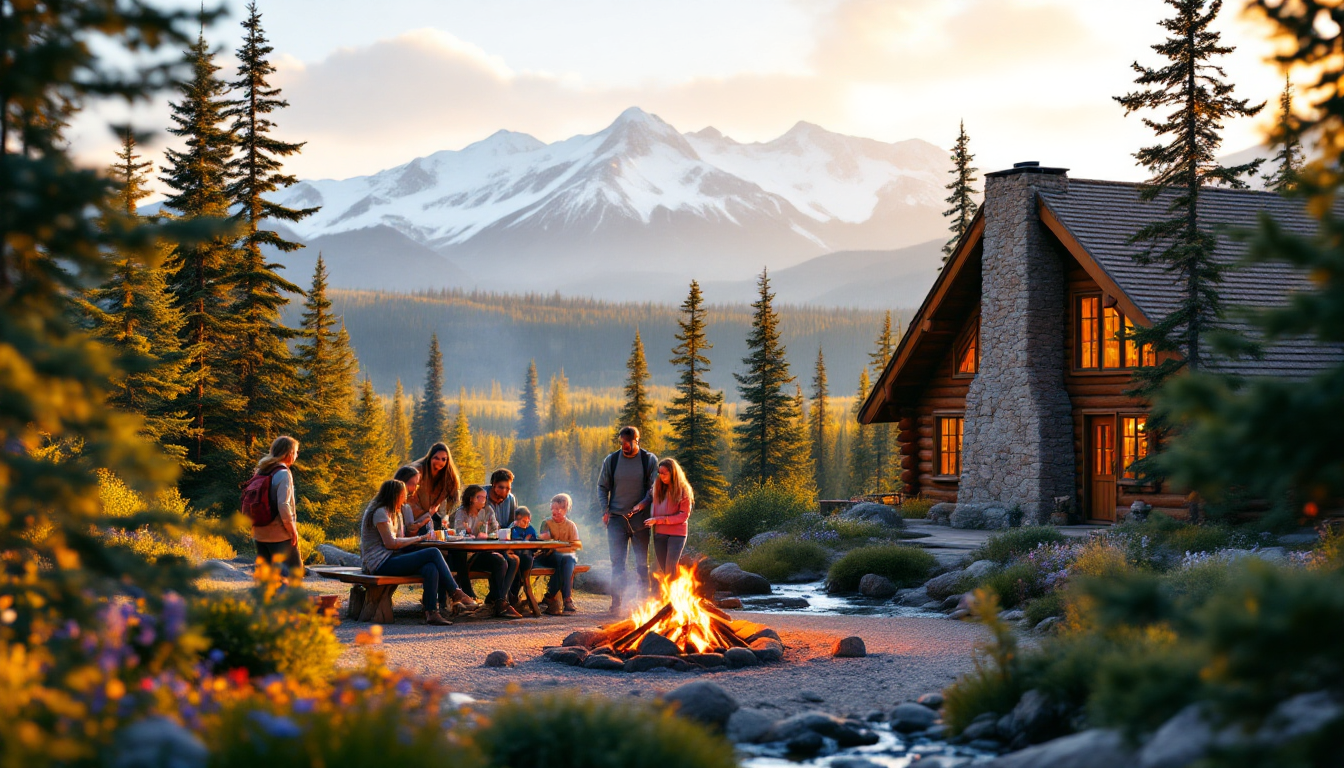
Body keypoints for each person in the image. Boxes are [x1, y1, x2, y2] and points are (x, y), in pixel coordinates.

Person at [359, 479, 477, 626]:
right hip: (379, 562)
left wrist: (418, 535)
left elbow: (400, 539)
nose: (405, 498)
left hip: (393, 557)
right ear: (394, 495)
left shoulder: (395, 512)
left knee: (431, 567)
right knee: (433, 552)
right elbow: (390, 543)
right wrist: (420, 538)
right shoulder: (380, 513)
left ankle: (431, 612)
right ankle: (456, 592)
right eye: (403, 495)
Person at [596, 425, 657, 614]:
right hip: (616, 519)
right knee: (617, 563)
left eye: (628, 442)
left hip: (640, 520)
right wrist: (605, 509)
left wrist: (643, 506)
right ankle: (616, 603)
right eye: (622, 442)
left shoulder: (648, 460)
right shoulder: (612, 460)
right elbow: (602, 486)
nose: (624, 446)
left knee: (641, 563)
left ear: (637, 441)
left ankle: (644, 602)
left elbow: (654, 489)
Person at [451, 484, 523, 619]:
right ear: (472, 499)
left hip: (485, 551)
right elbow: (460, 532)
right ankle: (500, 602)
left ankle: (498, 600)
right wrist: (475, 534)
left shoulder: (488, 511)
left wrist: (483, 534)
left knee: (508, 560)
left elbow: (495, 530)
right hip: (467, 555)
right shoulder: (462, 512)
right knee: (504, 560)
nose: (484, 500)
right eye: (481, 497)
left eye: (485, 498)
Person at [250, 436, 304, 576]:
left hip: (259, 532)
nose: (296, 455)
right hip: (279, 535)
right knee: (292, 574)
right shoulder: (283, 473)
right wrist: (292, 530)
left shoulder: (261, 470)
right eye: (295, 452)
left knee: (265, 577)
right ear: (289, 453)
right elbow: (284, 505)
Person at [483, 468, 531, 609]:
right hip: (486, 542)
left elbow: (513, 521)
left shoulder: (511, 499)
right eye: (501, 487)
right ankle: (500, 598)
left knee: (526, 557)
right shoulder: (481, 495)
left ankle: (510, 595)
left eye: (508, 488)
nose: (504, 491)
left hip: (505, 540)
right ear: (493, 485)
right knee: (508, 559)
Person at [536, 493, 582, 615]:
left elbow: (577, 544)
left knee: (568, 560)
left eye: (557, 509)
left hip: (566, 557)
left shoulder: (571, 525)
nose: (554, 511)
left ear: (565, 509)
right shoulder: (546, 523)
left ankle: (555, 596)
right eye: (552, 509)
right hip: (549, 556)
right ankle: (565, 599)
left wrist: (563, 546)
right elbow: (545, 543)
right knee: (564, 559)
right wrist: (562, 545)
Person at [645, 458, 694, 575]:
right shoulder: (657, 487)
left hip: (677, 534)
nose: (661, 476)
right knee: (664, 568)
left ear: (673, 473)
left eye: (664, 473)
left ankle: (674, 593)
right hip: (659, 533)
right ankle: (669, 592)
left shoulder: (683, 490)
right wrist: (639, 506)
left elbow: (683, 516)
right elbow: (648, 498)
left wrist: (659, 520)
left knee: (670, 568)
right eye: (659, 473)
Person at [409, 442, 460, 534]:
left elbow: (452, 500)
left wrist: (445, 517)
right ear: (430, 458)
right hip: (413, 517)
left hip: (430, 516)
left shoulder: (447, 477)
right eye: (436, 458)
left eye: (443, 459)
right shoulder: (418, 471)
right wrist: (424, 515)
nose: (440, 462)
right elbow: (409, 499)